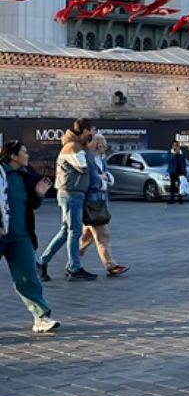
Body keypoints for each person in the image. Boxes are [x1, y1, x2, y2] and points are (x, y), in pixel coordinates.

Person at [1, 141, 59, 332]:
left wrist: (39, 194)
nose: (27, 155)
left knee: (28, 276)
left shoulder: (26, 175)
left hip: (20, 235)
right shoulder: (1, 174)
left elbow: (32, 205)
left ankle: (41, 317)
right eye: (24, 152)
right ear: (13, 156)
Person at [37, 119, 97, 282]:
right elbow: (84, 167)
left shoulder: (77, 146)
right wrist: (89, 149)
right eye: (93, 130)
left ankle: (42, 262)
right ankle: (73, 268)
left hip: (73, 194)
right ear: (85, 130)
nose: (94, 134)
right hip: (71, 194)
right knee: (74, 231)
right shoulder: (73, 147)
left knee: (66, 231)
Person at [78, 134, 128, 277]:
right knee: (103, 235)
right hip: (92, 202)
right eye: (103, 143)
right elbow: (89, 179)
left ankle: (73, 262)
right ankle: (110, 265)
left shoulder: (101, 159)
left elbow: (105, 174)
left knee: (87, 238)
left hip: (100, 201)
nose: (105, 147)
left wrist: (106, 178)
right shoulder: (88, 158)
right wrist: (101, 180)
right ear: (97, 144)